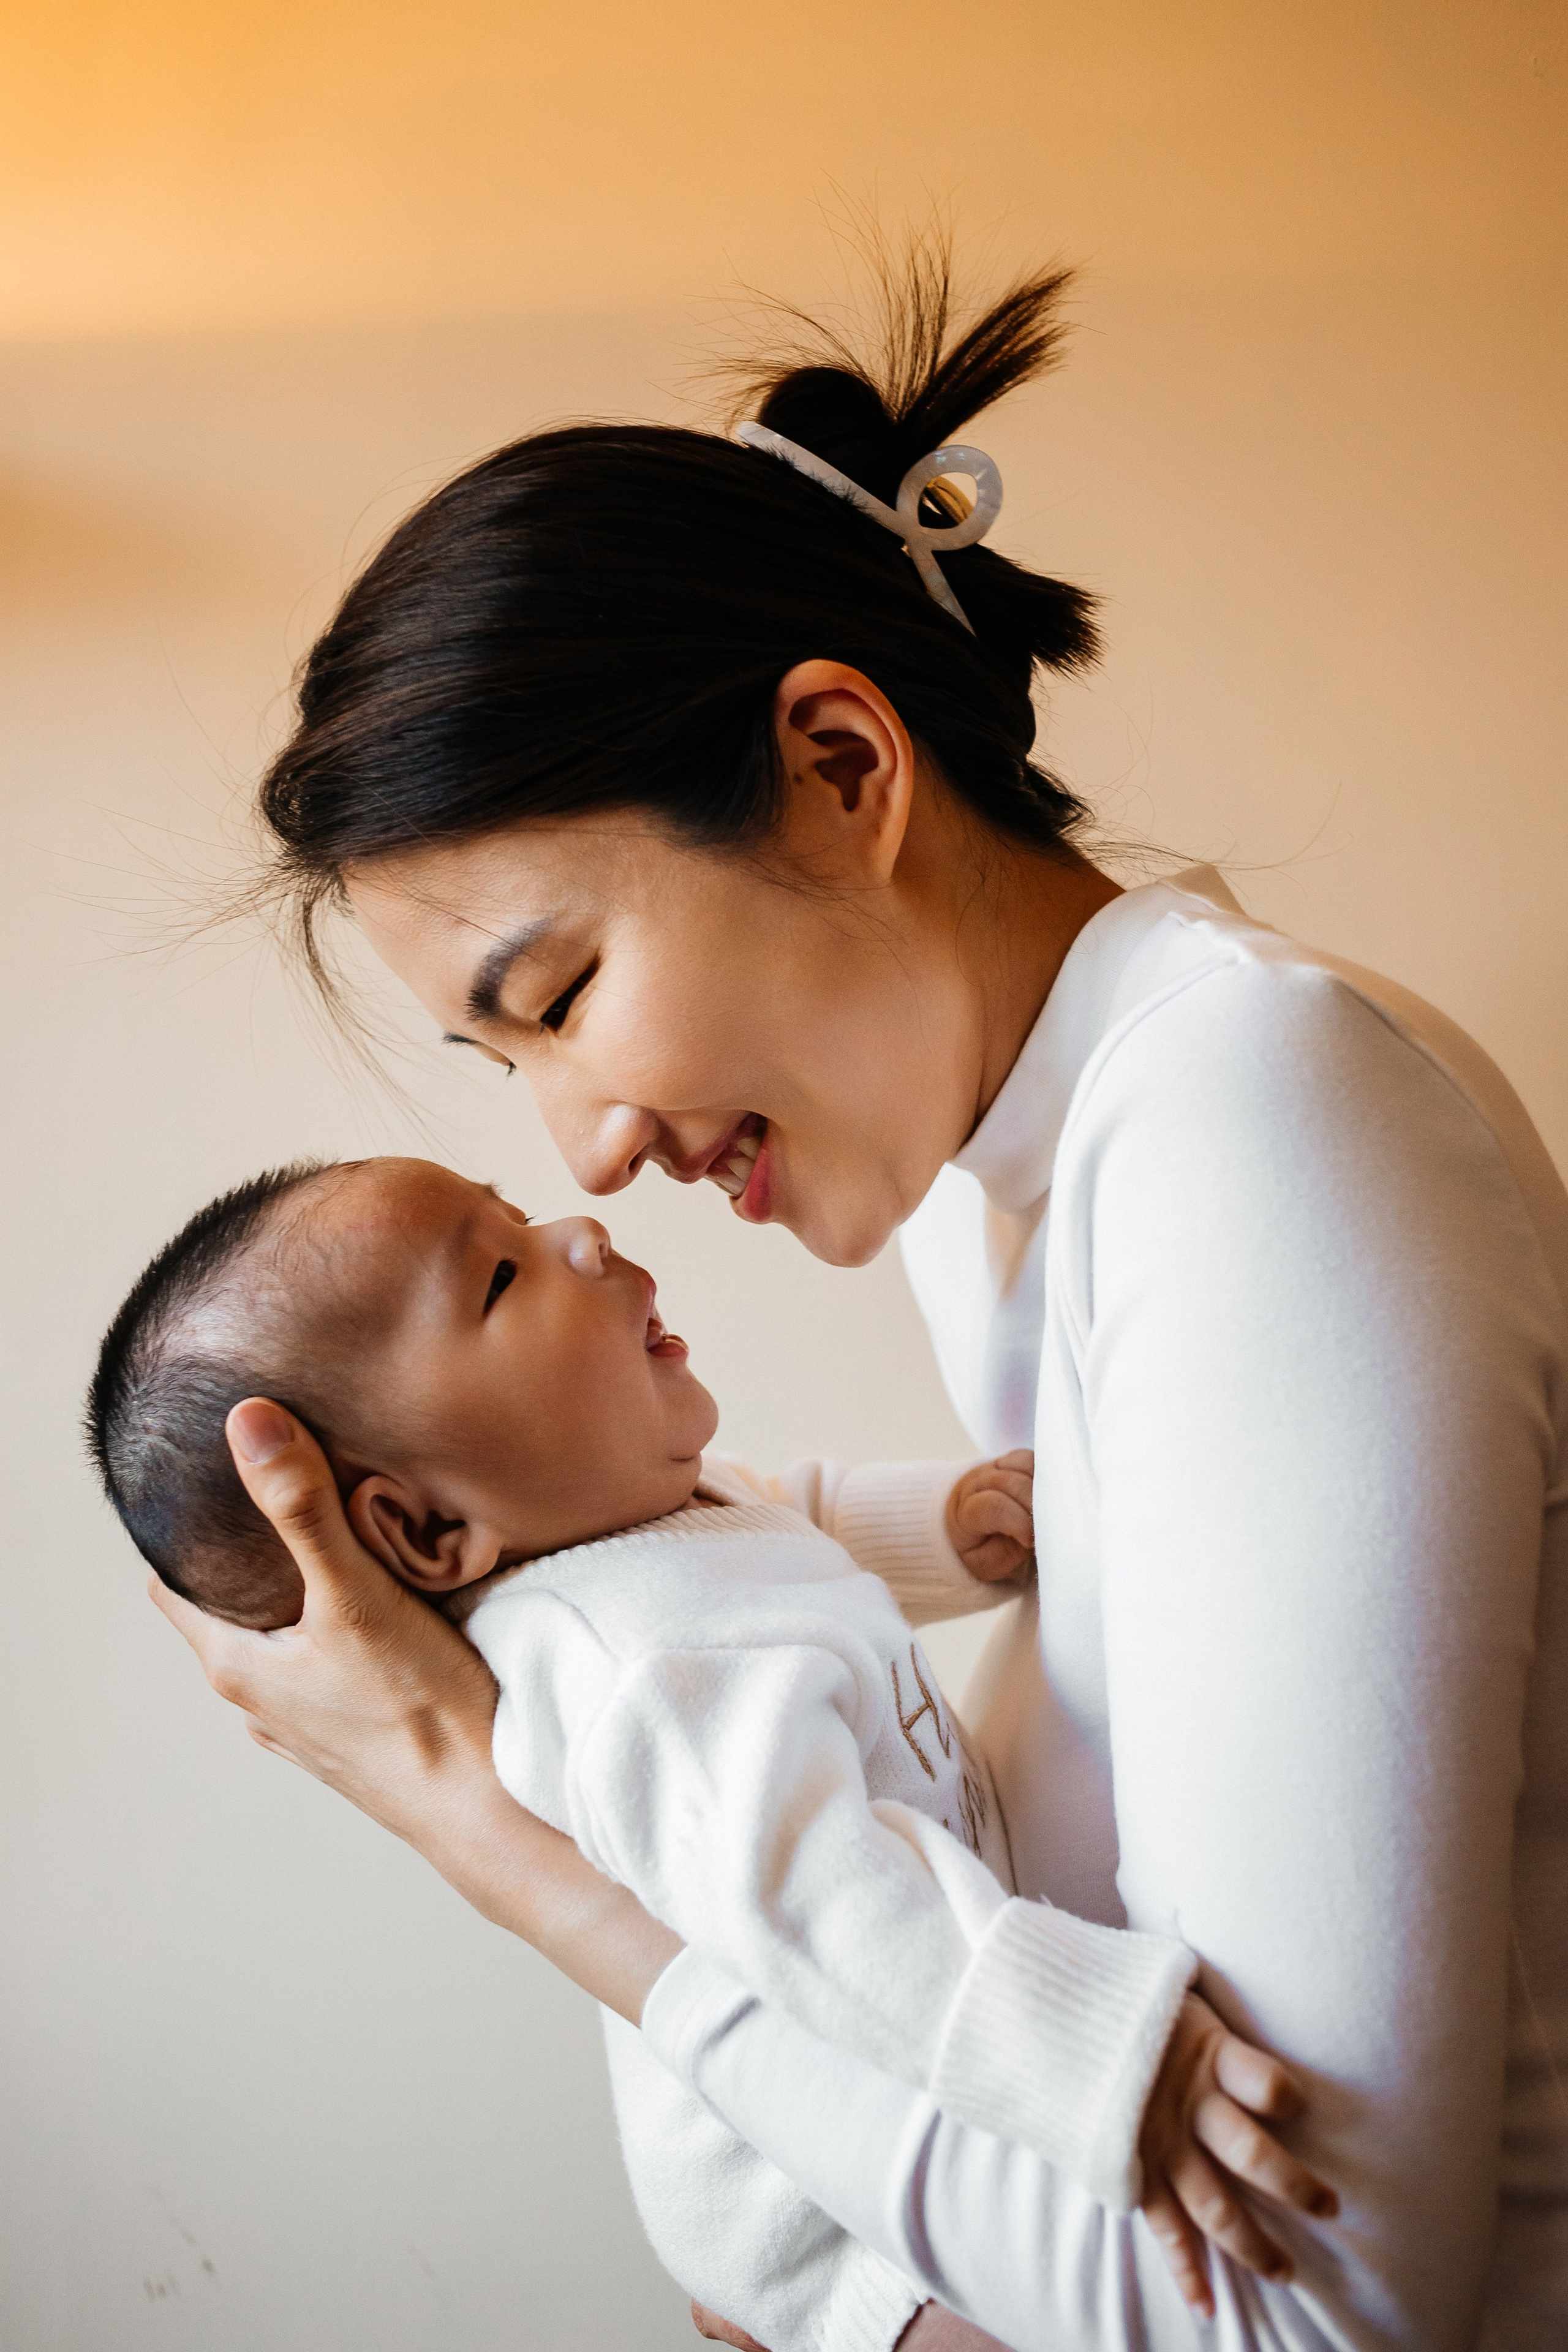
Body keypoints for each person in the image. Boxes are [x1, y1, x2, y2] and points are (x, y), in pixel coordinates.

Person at [149, 254, 1568, 2348]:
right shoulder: (990, 1195)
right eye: (504, 1062)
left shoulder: (1251, 1122)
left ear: (839, 761)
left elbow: (1311, 2316)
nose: (591, 1152)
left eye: (559, 999)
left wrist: (516, 1855)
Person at [89, 1153, 1332, 2345]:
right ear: (425, 1527)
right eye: (502, 1278)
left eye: (516, 1218)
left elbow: (785, 1518)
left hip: (903, 2071)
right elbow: (831, 1908)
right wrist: (1104, 2063)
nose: (580, 1233)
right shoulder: (625, 1670)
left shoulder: (644, 1527)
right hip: (834, 2241)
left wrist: (944, 1528)